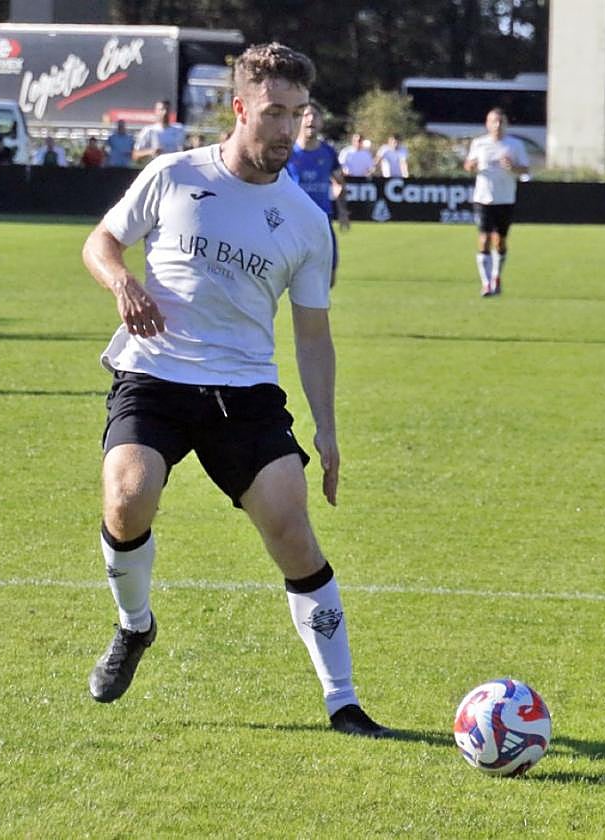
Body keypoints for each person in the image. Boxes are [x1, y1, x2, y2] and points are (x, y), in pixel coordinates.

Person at [80, 42, 388, 738]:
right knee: (127, 499)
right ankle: (135, 627)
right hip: (155, 376)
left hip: (243, 392)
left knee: (291, 531)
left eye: (298, 114)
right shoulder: (174, 174)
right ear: (241, 107)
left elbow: (312, 335)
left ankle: (343, 701)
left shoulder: (307, 222)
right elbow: (101, 242)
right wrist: (122, 282)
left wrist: (328, 430)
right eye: (274, 112)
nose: (287, 129)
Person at [463, 107, 529, 297]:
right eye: (494, 122)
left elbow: (525, 170)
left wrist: (513, 167)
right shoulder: (479, 143)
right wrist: (471, 165)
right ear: (488, 124)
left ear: (506, 124)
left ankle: (496, 277)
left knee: (499, 241)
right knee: (483, 240)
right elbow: (468, 165)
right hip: (483, 198)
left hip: (505, 198)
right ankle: (485, 284)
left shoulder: (514, 145)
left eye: (501, 122)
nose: (498, 125)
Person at [285, 103, 351, 286]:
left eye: (315, 115)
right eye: (306, 115)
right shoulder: (287, 152)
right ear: (299, 120)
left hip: (322, 222)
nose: (311, 119)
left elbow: (339, 182)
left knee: (330, 279)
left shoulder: (328, 153)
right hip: (292, 225)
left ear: (321, 122)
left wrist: (343, 211)